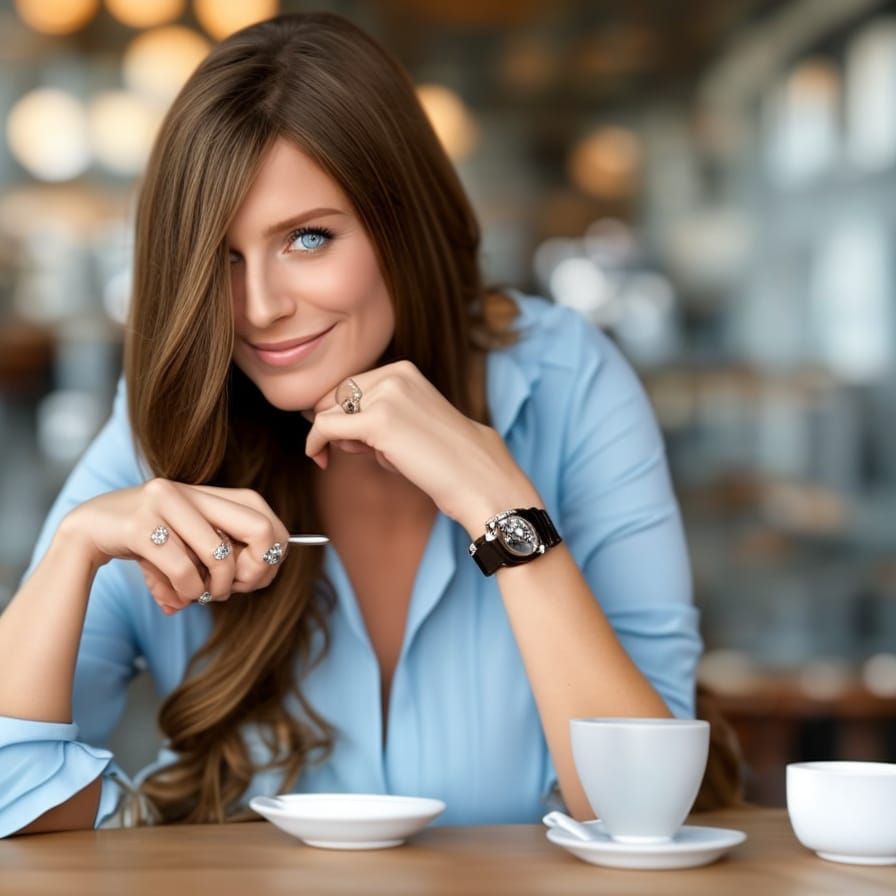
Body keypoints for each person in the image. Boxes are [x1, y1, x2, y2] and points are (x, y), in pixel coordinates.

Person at [0, 11, 700, 837]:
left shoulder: (561, 379)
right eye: (221, 257)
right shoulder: (169, 416)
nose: (259, 308)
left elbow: (642, 809)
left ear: (399, 222)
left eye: (307, 237)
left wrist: (499, 507)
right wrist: (74, 549)